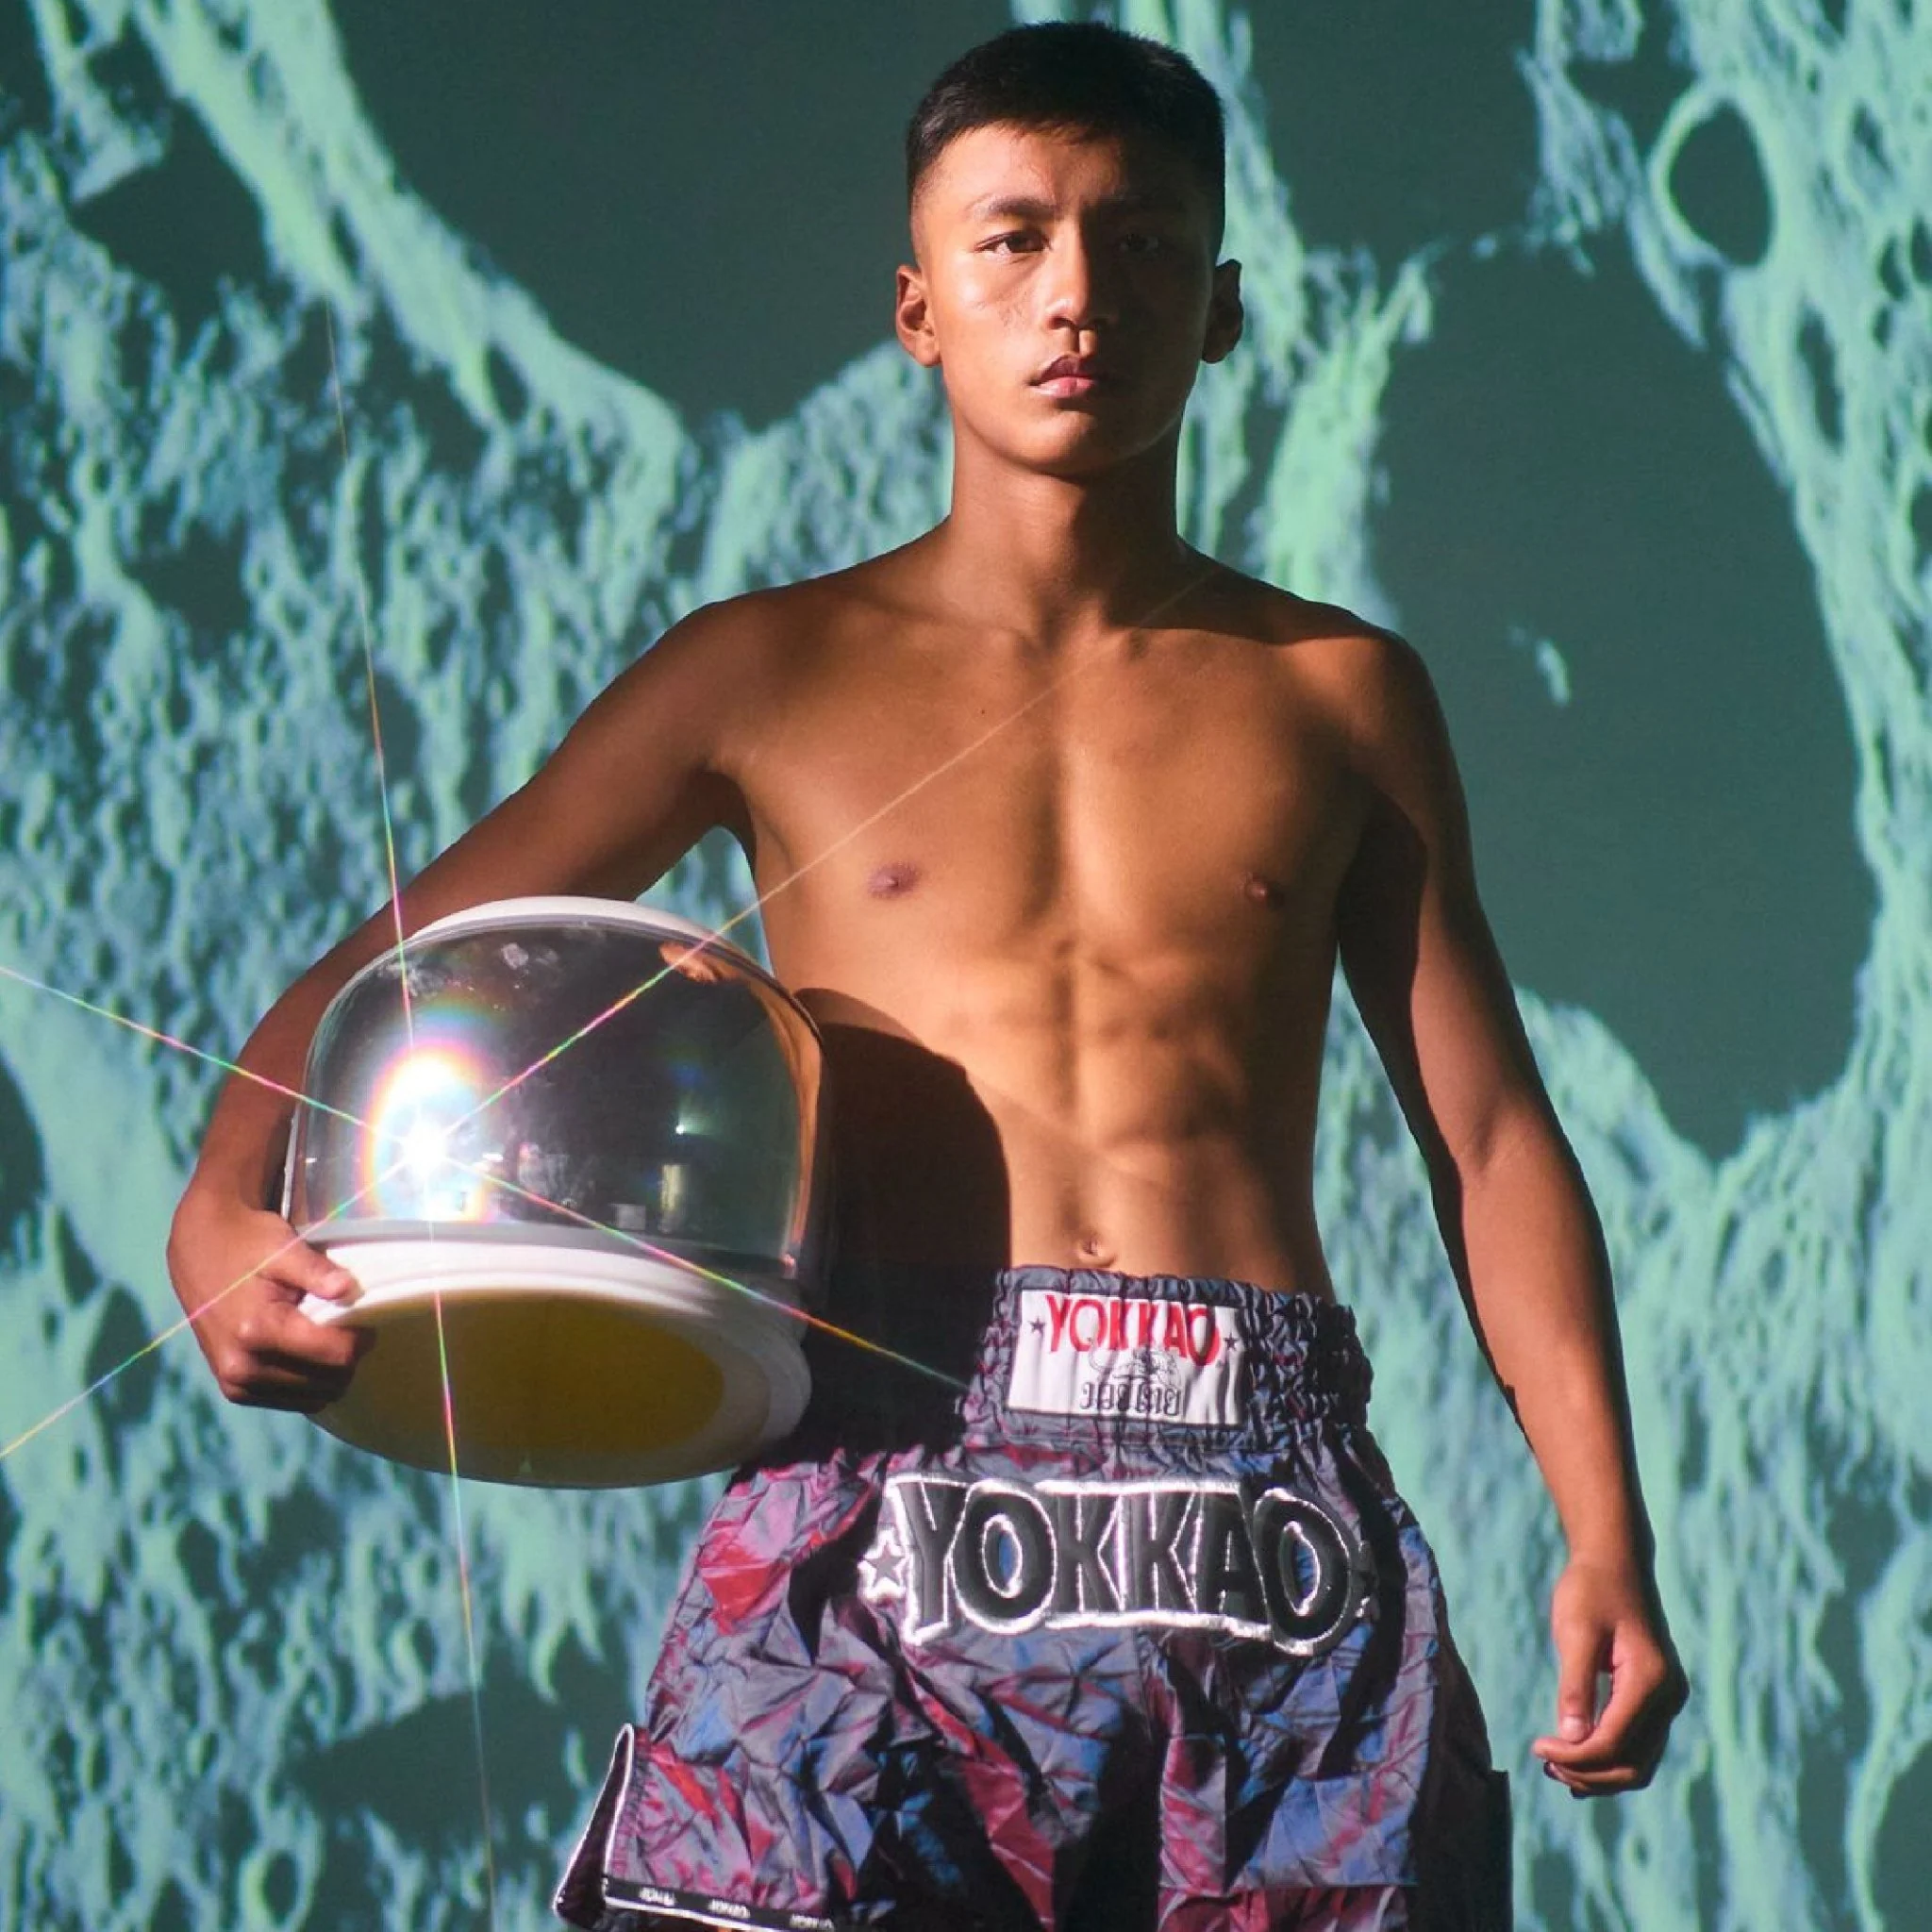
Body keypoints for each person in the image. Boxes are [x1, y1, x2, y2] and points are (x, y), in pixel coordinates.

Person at [167, 22, 1686, 1930]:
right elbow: (409, 965)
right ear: (917, 308)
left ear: (1221, 310)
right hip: (883, 1466)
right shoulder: (763, 671)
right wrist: (220, 1205)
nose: (1077, 292)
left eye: (1141, 242)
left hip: (1263, 1508)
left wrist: (1605, 1527)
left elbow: (1489, 1137)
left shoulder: (1341, 693)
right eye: (1014, 238)